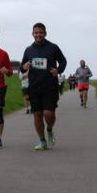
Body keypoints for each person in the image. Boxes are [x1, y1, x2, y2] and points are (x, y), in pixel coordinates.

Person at [20, 22, 67, 150]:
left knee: (48, 114)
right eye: (36, 33)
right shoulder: (29, 50)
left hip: (50, 86)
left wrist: (58, 70)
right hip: (34, 87)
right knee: (37, 115)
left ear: (45, 33)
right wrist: (23, 67)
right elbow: (22, 67)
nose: (38, 35)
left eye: (41, 32)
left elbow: (63, 61)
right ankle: (42, 141)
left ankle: (50, 129)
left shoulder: (53, 47)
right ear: (32, 34)